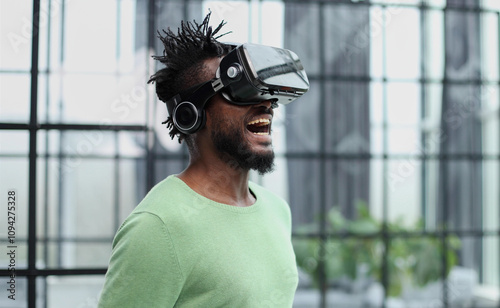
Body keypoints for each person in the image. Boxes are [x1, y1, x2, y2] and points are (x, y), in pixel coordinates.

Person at [98, 12, 308, 307]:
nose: (267, 104)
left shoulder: (276, 210)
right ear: (191, 114)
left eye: (267, 94)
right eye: (242, 92)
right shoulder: (157, 228)